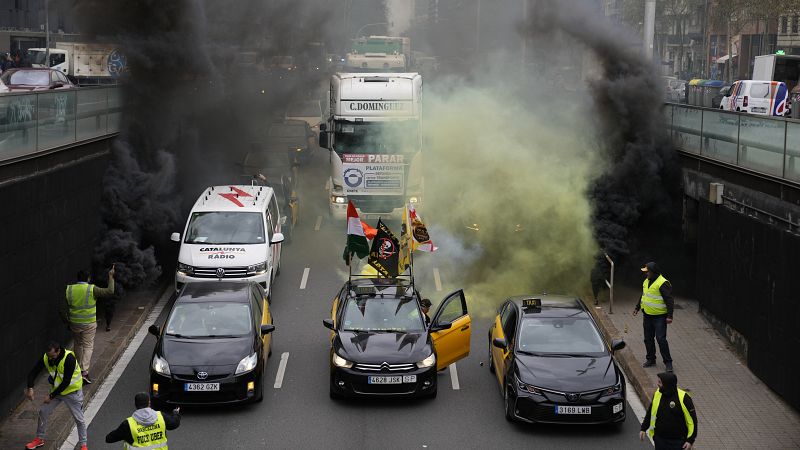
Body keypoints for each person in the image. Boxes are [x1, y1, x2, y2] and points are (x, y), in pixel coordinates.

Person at [24, 341, 87, 450]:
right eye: (48, 356)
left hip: (73, 393)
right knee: (43, 411)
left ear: (58, 351)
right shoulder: (47, 357)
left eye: (52, 356)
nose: (50, 359)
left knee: (79, 419)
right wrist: (30, 388)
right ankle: (39, 439)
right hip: (57, 391)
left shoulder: (69, 359)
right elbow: (33, 372)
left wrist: (51, 396)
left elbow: (66, 382)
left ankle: (83, 445)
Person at [65, 264, 115, 384]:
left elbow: (63, 307)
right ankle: (84, 372)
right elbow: (110, 292)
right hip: (88, 324)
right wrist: (111, 276)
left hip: (74, 323)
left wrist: (67, 321)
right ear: (88, 278)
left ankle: (77, 369)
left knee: (78, 344)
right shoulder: (92, 289)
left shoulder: (69, 289)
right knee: (88, 346)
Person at [632, 261, 674, 372]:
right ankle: (651, 359)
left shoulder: (663, 283)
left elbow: (669, 300)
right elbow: (643, 295)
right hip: (647, 315)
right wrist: (637, 307)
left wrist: (670, 316)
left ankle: (668, 363)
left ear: (653, 272)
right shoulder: (647, 281)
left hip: (659, 317)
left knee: (661, 339)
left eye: (647, 272)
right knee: (648, 339)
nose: (646, 274)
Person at [640, 372, 698, 450]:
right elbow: (650, 412)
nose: (657, 384)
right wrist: (643, 428)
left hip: (678, 442)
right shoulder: (658, 394)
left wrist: (690, 440)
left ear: (667, 384)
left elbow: (693, 421)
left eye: (660, 382)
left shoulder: (684, 398)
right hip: (660, 440)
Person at [106, 392, 181, 448]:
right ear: (149, 403)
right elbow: (174, 423)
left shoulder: (128, 424)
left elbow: (109, 439)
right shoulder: (161, 416)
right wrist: (175, 413)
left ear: (135, 404)